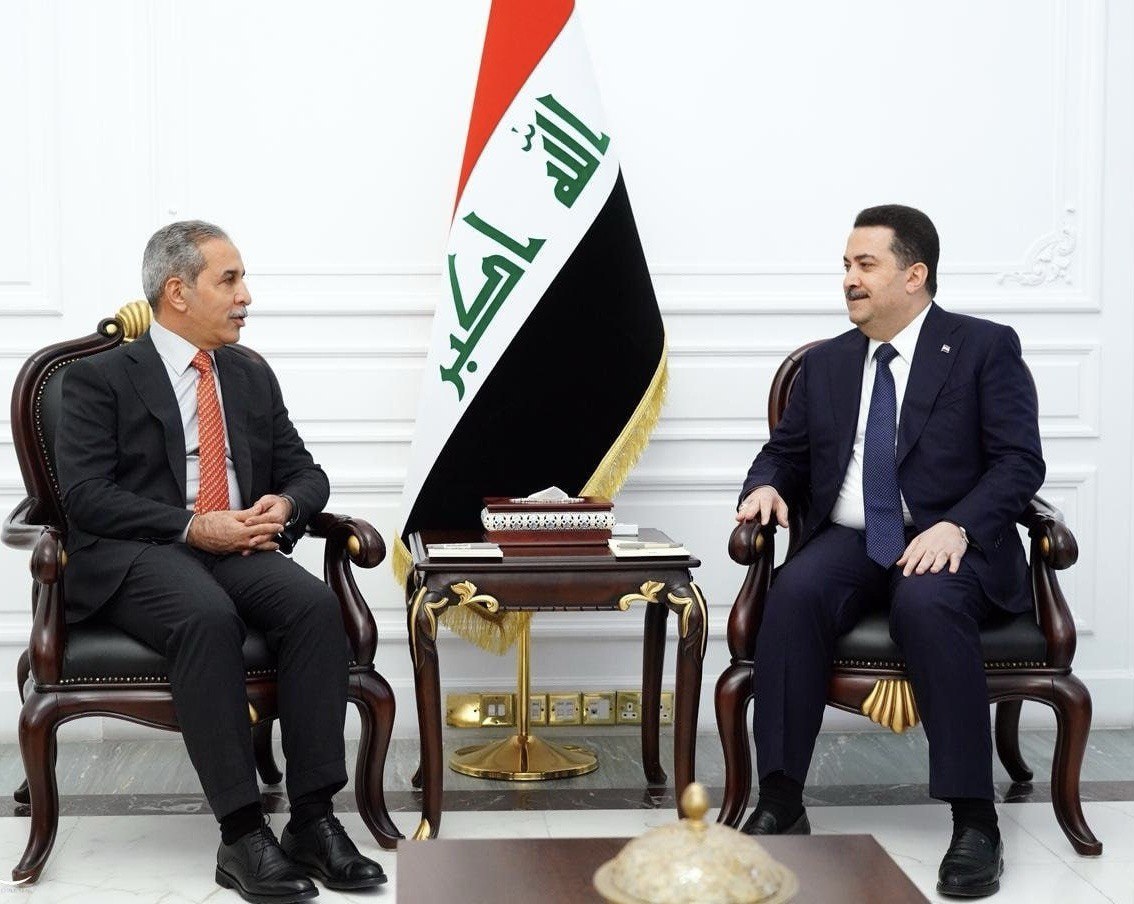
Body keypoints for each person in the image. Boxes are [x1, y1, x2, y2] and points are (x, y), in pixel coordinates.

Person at [55, 221, 387, 903]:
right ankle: (242, 834)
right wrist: (190, 525)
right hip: (140, 553)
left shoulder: (248, 374)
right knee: (206, 617)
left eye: (242, 280)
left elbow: (306, 472)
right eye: (229, 280)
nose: (246, 296)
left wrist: (285, 506)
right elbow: (85, 497)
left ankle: (313, 820)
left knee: (314, 608)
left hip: (235, 545)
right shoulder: (97, 379)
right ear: (177, 291)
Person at [736, 205, 1044, 898]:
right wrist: (765, 486)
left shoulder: (982, 347)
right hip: (850, 538)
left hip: (945, 540)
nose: (850, 278)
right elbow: (784, 453)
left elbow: (1019, 463)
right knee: (794, 594)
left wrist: (959, 526)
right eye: (846, 265)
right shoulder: (827, 363)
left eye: (865, 264)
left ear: (914, 274)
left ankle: (975, 822)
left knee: (927, 604)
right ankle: (781, 800)